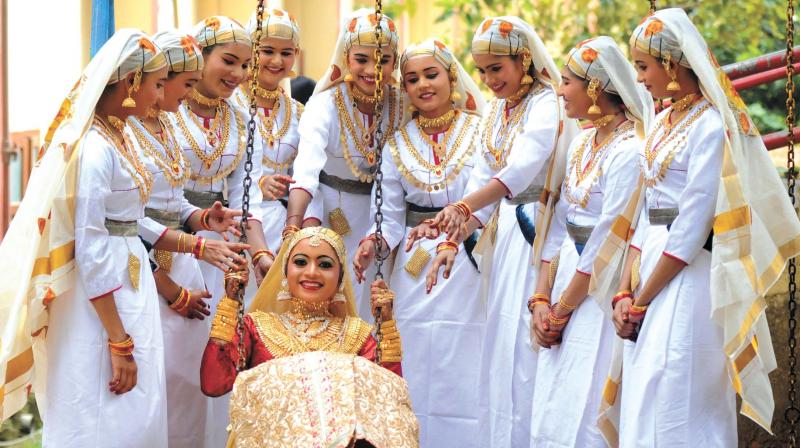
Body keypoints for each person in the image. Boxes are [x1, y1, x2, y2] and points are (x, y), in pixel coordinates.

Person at [600, 8, 800, 445]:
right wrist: (623, 291)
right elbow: (645, 210)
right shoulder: (662, 124)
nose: (639, 78)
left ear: (672, 65)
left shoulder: (709, 126)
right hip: (647, 269)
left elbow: (690, 228)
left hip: (687, 278)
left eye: (643, 66)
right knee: (643, 388)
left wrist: (641, 300)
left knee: (677, 386)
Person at [404, 17, 577, 447]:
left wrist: (463, 206)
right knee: (501, 348)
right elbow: (485, 172)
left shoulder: (546, 103)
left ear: (523, 59)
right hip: (507, 241)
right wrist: (454, 233)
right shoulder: (498, 110)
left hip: (543, 230)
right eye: (481, 71)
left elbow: (520, 170)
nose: (488, 79)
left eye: (496, 68)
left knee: (528, 348)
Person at [0, 30, 169, 446]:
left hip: (128, 283)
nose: (162, 98)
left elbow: (129, 219)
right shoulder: (94, 147)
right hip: (100, 300)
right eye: (158, 84)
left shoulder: (120, 136)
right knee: (102, 414)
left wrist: (193, 240)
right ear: (131, 84)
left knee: (138, 412)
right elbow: (91, 246)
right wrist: (118, 339)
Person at [353, 38, 485, 447]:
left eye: (431, 75)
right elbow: (390, 217)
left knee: (464, 354)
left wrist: (460, 226)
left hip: (470, 257)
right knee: (412, 352)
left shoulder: (481, 132)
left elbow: (492, 197)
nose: (423, 85)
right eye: (412, 79)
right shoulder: (397, 143)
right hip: (414, 262)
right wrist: (374, 242)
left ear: (451, 76)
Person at [527, 36, 653, 447]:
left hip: (597, 291)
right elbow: (559, 224)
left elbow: (606, 241)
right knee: (552, 397)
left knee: (587, 390)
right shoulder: (582, 143)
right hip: (564, 277)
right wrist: (542, 299)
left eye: (567, 82)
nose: (560, 91)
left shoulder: (630, 151)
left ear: (595, 87)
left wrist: (563, 309)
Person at [127, 30, 250, 447]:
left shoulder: (163, 125)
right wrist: (174, 280)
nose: (192, 93)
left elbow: (173, 201)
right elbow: (128, 220)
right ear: (153, 81)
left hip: (181, 263)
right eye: (186, 84)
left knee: (187, 383)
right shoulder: (122, 132)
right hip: (143, 270)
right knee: (152, 380)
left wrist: (202, 218)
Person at [285, 9, 405, 320]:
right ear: (346, 57)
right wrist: (297, 226)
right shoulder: (325, 102)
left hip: (385, 217)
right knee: (329, 305)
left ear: (396, 61)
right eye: (362, 59)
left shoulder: (403, 104)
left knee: (376, 307)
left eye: (383, 61)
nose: (372, 70)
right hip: (327, 211)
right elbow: (307, 168)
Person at [200, 226, 402, 395]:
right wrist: (230, 303)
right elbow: (214, 384)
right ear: (286, 272)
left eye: (324, 264)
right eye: (300, 262)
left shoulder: (357, 335)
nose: (311, 272)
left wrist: (387, 325)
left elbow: (387, 398)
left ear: (340, 277)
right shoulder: (257, 328)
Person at [170, 16, 274, 306]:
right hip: (166, 240)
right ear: (199, 55)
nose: (238, 73)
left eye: (245, 65)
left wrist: (260, 253)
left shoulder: (243, 122)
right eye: (228, 61)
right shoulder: (165, 113)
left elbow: (246, 196)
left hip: (220, 245)